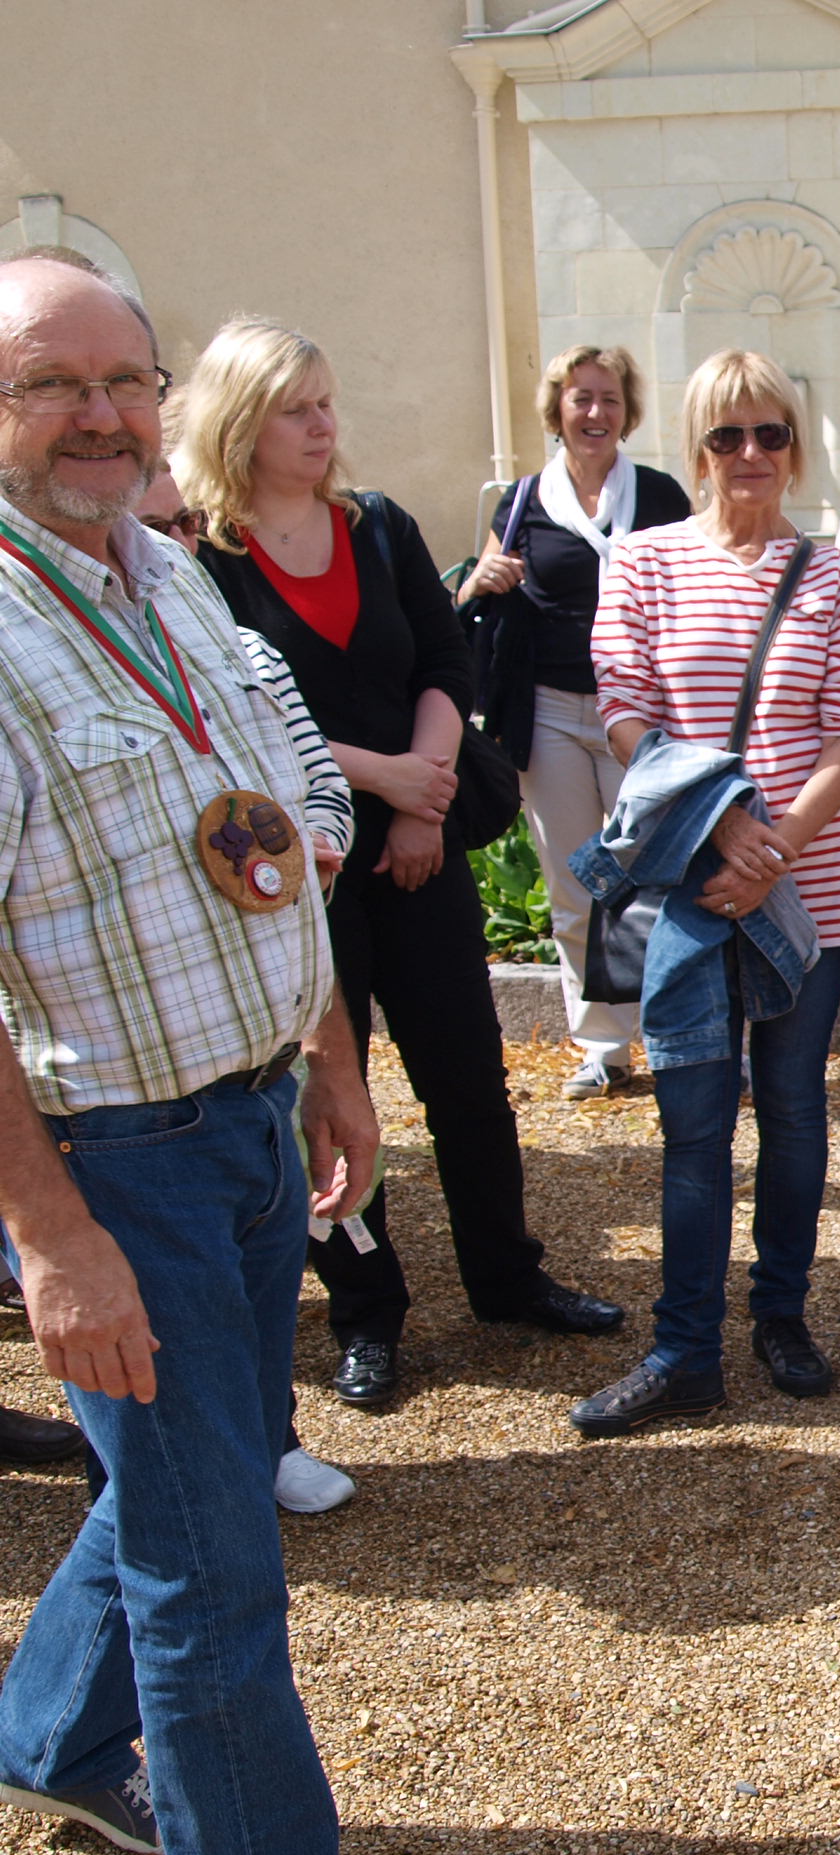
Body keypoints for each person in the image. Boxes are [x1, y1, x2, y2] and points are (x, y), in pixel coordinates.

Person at [0, 249, 380, 1855]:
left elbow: (267, 839)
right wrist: (51, 1237)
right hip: (112, 1160)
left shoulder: (164, 573)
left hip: (247, 1114)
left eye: (122, 381)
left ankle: (48, 1738)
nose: (98, 416)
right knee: (212, 1564)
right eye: (49, 384)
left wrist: (330, 1059)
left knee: (192, 1474)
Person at [178, 318, 624, 1413]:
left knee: (468, 1077)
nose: (322, 425)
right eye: (296, 409)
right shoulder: (198, 562)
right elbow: (233, 722)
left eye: (326, 403)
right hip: (300, 873)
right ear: (240, 422)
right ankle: (367, 1313)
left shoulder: (376, 526)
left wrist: (424, 796)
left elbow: (442, 660)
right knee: (329, 1093)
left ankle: (507, 1279)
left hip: (421, 849)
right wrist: (388, 780)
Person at [570, 349, 840, 1433]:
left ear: (794, 446)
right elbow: (623, 710)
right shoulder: (643, 560)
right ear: (697, 448)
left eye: (770, 433)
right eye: (726, 434)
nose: (750, 453)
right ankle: (684, 1350)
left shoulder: (835, 575)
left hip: (814, 881)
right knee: (695, 1121)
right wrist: (724, 831)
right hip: (693, 877)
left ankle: (782, 1316)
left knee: (795, 1109)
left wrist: (775, 848)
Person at [139, 460, 361, 1515]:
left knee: (262, 1291)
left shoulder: (246, 655)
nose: (171, 546)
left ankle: (268, 1440)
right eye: (150, 526)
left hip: (264, 1052)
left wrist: (308, 847)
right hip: (142, 1084)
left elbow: (318, 784)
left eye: (183, 523)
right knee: (166, 1385)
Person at [455, 344, 690, 1099]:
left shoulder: (659, 496)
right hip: (551, 711)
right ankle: (603, 1045)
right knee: (574, 882)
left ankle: (683, 1037)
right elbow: (475, 589)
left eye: (610, 398)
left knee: (661, 876)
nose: (596, 412)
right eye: (582, 397)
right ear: (557, 409)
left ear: (628, 412)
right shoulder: (524, 499)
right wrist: (481, 579)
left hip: (644, 713)